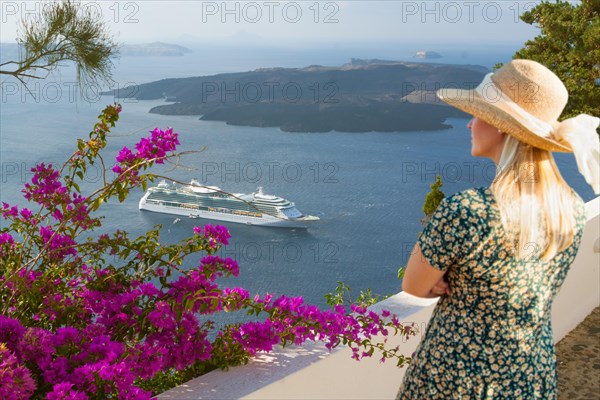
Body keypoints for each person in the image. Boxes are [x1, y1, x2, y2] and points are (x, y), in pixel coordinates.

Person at [395, 59, 599, 399]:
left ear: (501, 125)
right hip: (529, 373)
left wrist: (444, 278)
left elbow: (413, 285)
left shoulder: (467, 210)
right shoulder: (572, 209)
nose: (469, 125)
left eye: (477, 115)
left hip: (455, 379)